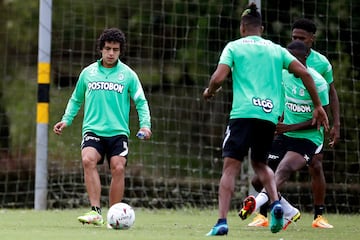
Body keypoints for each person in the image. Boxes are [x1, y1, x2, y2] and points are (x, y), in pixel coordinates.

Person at [203, 3, 329, 236]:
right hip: (268, 117)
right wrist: (319, 106)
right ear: (261, 28)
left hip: (242, 115)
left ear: (242, 28)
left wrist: (210, 91)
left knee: (230, 168)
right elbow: (304, 73)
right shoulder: (277, 49)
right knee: (261, 165)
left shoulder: (234, 47)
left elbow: (219, 77)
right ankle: (276, 204)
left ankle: (221, 221)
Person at [53, 28, 152, 226]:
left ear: (120, 51)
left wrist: (146, 125)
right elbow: (75, 99)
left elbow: (141, 101)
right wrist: (66, 119)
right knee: (87, 160)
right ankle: (95, 211)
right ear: (101, 49)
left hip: (118, 133)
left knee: (118, 167)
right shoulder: (88, 73)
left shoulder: (128, 75)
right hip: (93, 130)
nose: (111, 53)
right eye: (107, 48)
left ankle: (114, 216)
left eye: (115, 49)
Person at [248, 18, 339, 229]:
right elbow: (278, 97)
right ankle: (285, 211)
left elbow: (321, 114)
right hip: (286, 132)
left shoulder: (319, 76)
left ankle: (316, 215)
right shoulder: (284, 71)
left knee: (300, 167)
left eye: (301, 38)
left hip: (309, 134)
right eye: (294, 37)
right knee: (258, 178)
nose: (290, 63)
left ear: (311, 42)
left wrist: (337, 125)